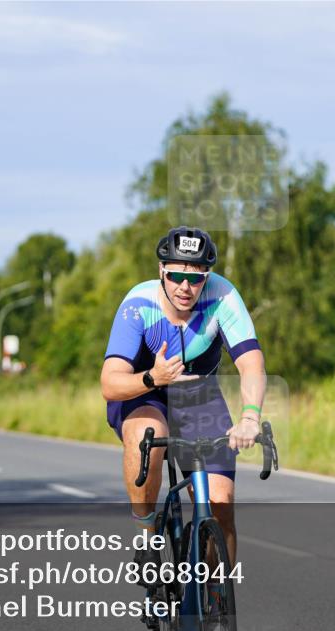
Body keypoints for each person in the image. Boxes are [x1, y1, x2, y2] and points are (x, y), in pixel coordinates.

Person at [100, 226, 267, 583]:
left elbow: (251, 361)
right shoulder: (139, 304)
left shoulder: (223, 297)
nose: (184, 287)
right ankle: (146, 535)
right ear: (161, 270)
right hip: (143, 392)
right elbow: (110, 383)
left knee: (221, 502)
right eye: (175, 275)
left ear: (208, 276)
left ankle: (218, 603)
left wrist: (250, 417)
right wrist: (151, 378)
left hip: (197, 395)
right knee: (149, 434)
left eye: (196, 279)